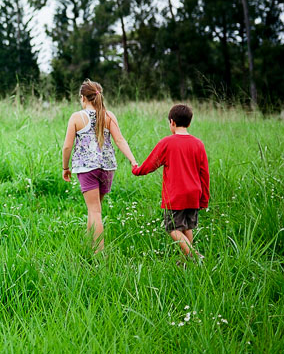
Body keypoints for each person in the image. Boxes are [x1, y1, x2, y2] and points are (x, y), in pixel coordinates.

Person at [61, 79, 137, 251]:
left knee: (95, 211)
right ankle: (89, 243)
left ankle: (98, 254)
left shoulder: (77, 117)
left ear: (83, 98)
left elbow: (67, 146)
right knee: (94, 208)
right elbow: (119, 140)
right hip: (107, 168)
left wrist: (65, 167)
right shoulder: (109, 116)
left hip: (87, 168)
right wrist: (133, 160)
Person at [132, 104, 209, 262]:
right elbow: (204, 173)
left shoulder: (167, 143)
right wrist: (204, 198)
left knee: (172, 228)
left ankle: (194, 256)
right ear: (189, 123)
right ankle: (188, 262)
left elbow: (150, 165)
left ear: (172, 122)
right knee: (187, 227)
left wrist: (136, 170)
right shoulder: (198, 144)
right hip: (194, 193)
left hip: (176, 195)